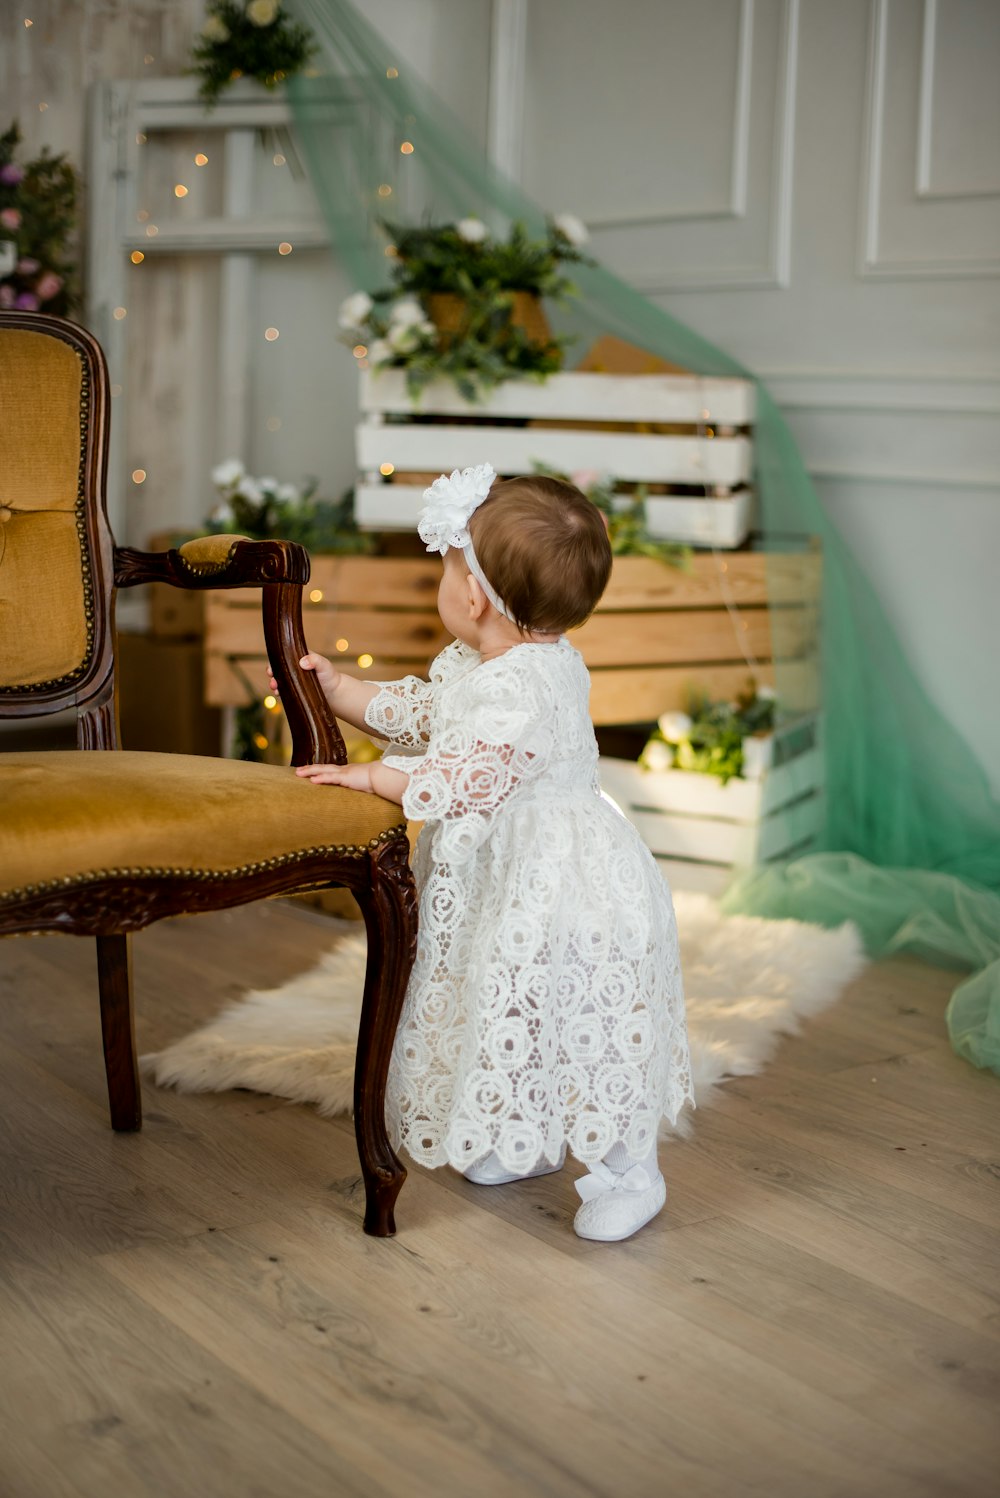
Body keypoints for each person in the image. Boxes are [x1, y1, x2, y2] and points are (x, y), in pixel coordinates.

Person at [292, 464, 693, 1241]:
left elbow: (473, 773)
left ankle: (629, 1171)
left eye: (445, 568)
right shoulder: (493, 665)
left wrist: (373, 775)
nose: (440, 583)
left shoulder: (522, 685)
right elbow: (430, 712)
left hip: (564, 884)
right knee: (510, 1002)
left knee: (577, 1015)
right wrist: (344, 691)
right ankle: (526, 1136)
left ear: (472, 596)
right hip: (511, 880)